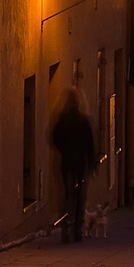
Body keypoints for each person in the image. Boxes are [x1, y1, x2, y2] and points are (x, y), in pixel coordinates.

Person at [51, 88, 97, 243]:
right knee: (80, 196)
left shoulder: (62, 119)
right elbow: (89, 143)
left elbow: (55, 138)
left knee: (67, 194)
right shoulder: (83, 120)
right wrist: (91, 162)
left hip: (67, 160)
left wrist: (64, 149)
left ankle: (66, 228)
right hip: (80, 162)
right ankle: (78, 228)